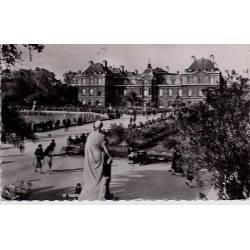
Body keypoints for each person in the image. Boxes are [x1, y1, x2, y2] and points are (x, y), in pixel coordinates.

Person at [78, 120, 113, 201]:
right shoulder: (101, 136)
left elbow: (87, 147)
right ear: (101, 127)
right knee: (99, 176)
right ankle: (99, 192)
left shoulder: (90, 135)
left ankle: (91, 189)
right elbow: (105, 148)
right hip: (98, 157)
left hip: (90, 158)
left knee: (91, 175)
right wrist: (110, 156)